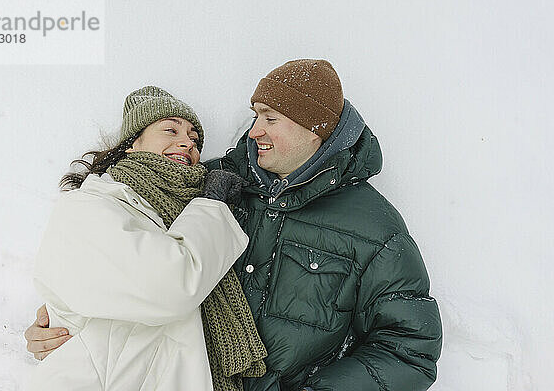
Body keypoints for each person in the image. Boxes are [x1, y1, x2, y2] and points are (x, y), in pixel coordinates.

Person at [26, 60, 443, 390]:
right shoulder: (208, 186)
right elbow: (125, 264)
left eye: (270, 118)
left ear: (314, 129)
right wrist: (64, 326)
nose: (254, 130)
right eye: (255, 115)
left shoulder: (374, 228)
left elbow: (409, 348)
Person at [26, 86, 267, 391]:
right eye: (170, 129)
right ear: (132, 143)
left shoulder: (180, 218)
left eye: (194, 140)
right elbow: (172, 286)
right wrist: (212, 206)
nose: (187, 143)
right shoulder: (88, 206)